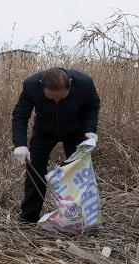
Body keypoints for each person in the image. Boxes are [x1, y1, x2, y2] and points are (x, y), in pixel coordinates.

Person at [12, 67, 100, 223]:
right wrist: (20, 144)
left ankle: (77, 217)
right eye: (52, 99)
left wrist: (89, 130)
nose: (57, 101)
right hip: (43, 132)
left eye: (61, 98)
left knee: (76, 174)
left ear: (70, 84)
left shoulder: (85, 83)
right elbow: (20, 115)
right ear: (41, 86)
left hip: (75, 132)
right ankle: (29, 217)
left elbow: (92, 108)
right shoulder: (31, 85)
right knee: (34, 171)